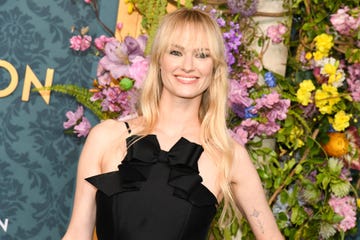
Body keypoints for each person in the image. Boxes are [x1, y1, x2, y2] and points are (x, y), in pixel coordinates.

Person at [62, 7, 284, 240]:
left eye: (201, 55)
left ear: (215, 68)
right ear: (158, 60)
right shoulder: (105, 137)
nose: (188, 66)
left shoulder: (229, 156)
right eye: (176, 52)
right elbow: (77, 234)